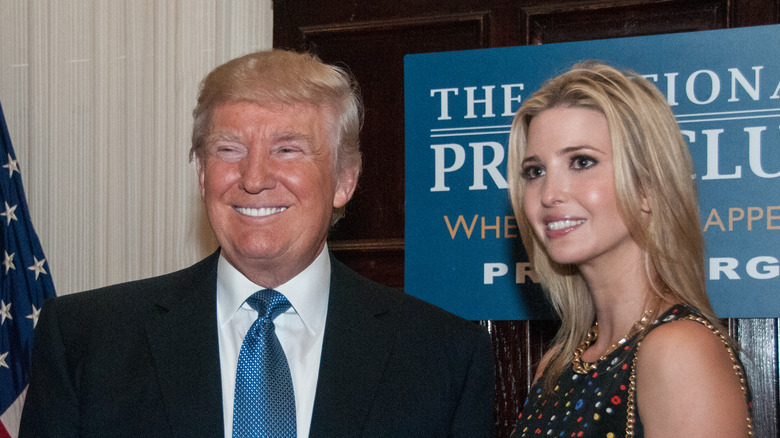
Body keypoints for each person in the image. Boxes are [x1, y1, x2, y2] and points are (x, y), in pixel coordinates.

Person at [19, 50, 496, 438]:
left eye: (287, 149)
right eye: (229, 150)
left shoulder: (443, 356)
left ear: (344, 180)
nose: (253, 179)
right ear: (203, 175)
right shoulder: (86, 340)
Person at [506, 61, 752, 437]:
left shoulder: (679, 350)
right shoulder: (557, 365)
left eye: (582, 162)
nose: (550, 194)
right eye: (535, 171)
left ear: (648, 188)